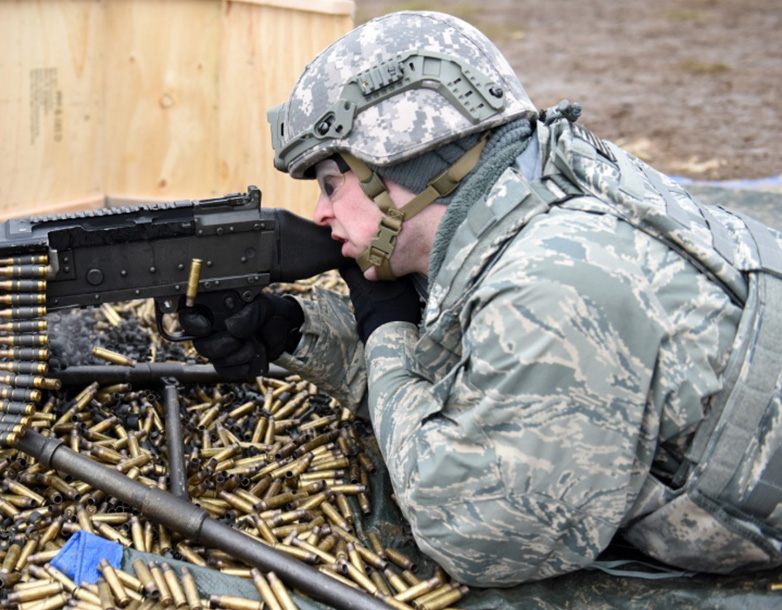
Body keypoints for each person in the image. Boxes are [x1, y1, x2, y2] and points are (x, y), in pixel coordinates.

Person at [179, 11, 782, 587]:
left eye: (333, 183)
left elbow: (477, 535)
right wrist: (294, 329)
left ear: (405, 166)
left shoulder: (551, 282)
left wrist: (385, 328)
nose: (320, 212)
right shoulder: (527, 188)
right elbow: (462, 363)